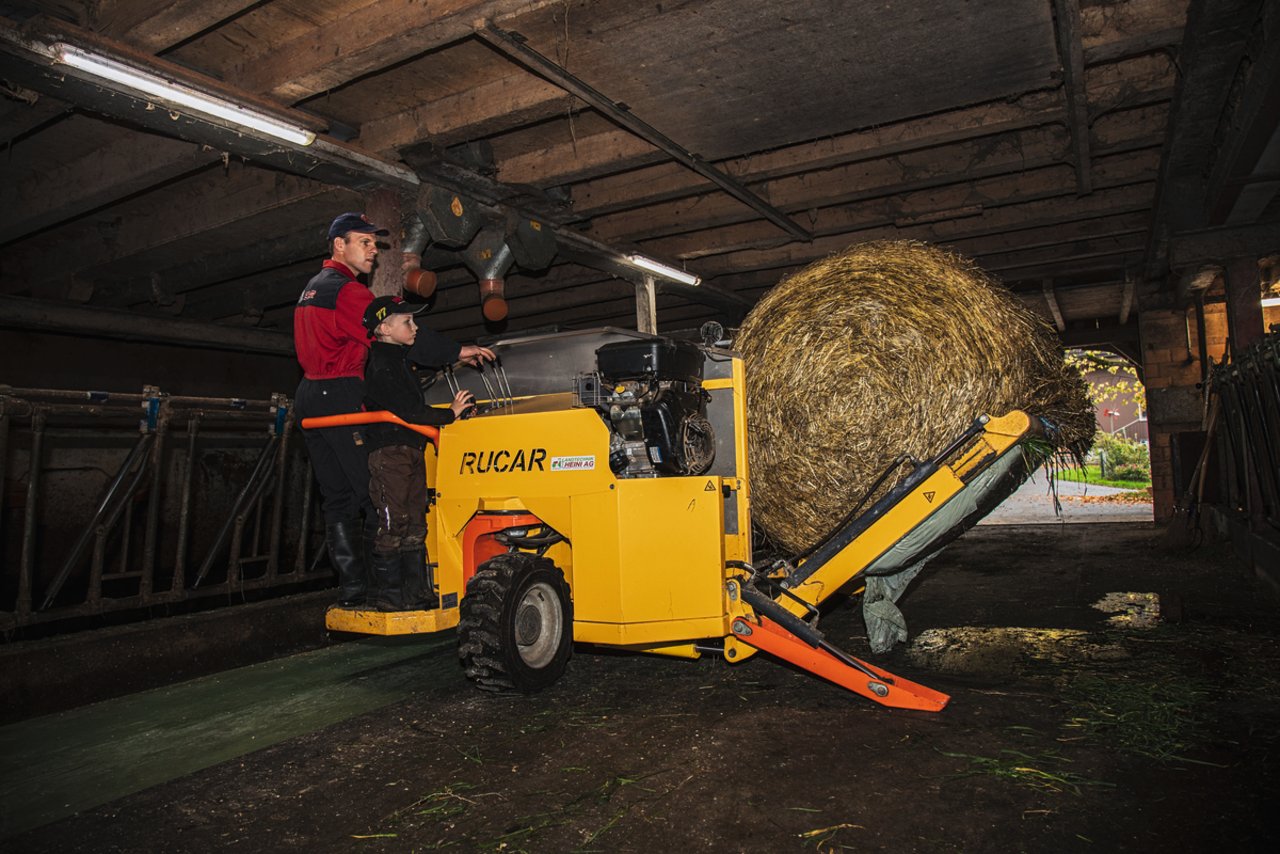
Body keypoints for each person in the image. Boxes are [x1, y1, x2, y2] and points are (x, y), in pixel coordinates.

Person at [294, 211, 494, 607]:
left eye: (374, 243)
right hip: (341, 393)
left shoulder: (311, 289)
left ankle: (352, 591)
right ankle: (386, 593)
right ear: (339, 245)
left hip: (309, 396)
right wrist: (456, 350)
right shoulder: (347, 291)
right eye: (364, 242)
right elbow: (396, 332)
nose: (374, 251)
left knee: (336, 498)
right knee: (377, 494)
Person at [362, 296, 475, 610]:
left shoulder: (400, 359)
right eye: (407, 322)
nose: (415, 327)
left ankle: (415, 593)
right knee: (393, 520)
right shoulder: (381, 364)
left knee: (414, 521)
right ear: (384, 328)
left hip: (409, 447)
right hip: (390, 451)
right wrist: (449, 414)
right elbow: (409, 409)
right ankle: (387, 596)